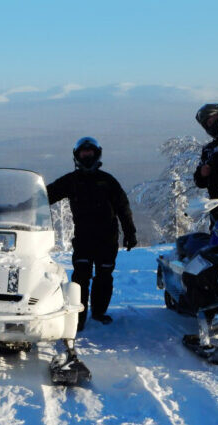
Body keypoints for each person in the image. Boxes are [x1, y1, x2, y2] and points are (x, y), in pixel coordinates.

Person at [47, 137, 137, 331]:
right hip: (84, 238)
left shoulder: (108, 180)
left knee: (104, 276)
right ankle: (77, 318)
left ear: (97, 155)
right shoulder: (71, 180)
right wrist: (24, 204)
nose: (87, 156)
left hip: (108, 238)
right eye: (83, 153)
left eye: (90, 153)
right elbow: (47, 195)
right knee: (80, 277)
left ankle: (98, 312)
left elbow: (123, 207)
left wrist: (130, 231)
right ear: (77, 156)